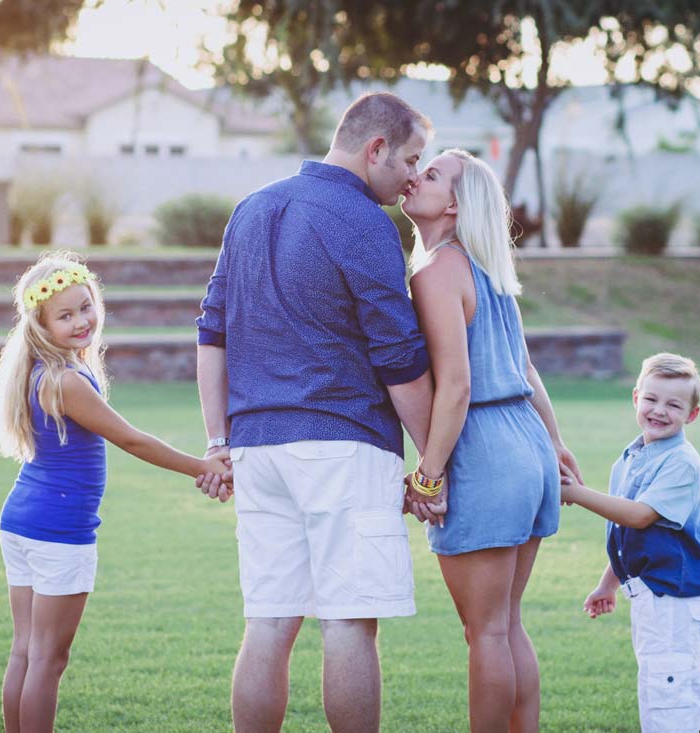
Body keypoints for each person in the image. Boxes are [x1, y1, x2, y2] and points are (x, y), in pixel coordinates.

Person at [195, 92, 435, 733]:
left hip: (255, 448)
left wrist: (217, 440)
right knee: (348, 623)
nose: (414, 175)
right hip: (343, 448)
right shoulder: (363, 220)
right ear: (375, 148)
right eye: (410, 159)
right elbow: (400, 358)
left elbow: (211, 334)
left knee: (269, 622)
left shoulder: (251, 208)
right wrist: (440, 463)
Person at [0, 250, 230, 733]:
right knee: (47, 660)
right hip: (57, 531)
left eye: (86, 306)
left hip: (22, 521)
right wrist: (201, 467)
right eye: (65, 314)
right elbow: (131, 439)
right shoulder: (66, 380)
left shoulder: (45, 372)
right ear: (41, 325)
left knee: (26, 651)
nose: (82, 321)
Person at [400, 148, 582, 733]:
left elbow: (455, 387)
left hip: (486, 450)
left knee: (485, 632)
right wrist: (553, 444)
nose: (414, 178)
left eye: (429, 175)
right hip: (525, 445)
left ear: (452, 204)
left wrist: (428, 475)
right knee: (505, 624)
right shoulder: (488, 269)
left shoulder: (437, 271)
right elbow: (528, 373)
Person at [561, 352, 700, 733]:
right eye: (651, 399)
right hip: (652, 597)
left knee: (666, 707)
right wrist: (607, 583)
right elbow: (628, 535)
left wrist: (577, 493)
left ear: (691, 415)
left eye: (674, 405)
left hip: (672, 602)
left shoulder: (681, 461)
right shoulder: (631, 458)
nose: (659, 411)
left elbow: (640, 516)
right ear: (635, 398)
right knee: (685, 702)